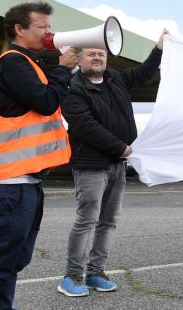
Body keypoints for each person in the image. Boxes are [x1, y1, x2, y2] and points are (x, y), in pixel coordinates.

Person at [57, 30, 168, 297]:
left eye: (101, 54)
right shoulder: (72, 88)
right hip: (91, 165)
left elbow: (144, 72)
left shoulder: (116, 78)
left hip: (118, 164)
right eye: (91, 54)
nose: (97, 58)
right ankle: (71, 276)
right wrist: (122, 147)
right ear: (79, 60)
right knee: (87, 220)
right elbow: (85, 126)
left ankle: (96, 272)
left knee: (108, 222)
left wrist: (159, 49)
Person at [0, 1, 79, 310]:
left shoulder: (28, 64)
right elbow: (46, 103)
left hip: (26, 182)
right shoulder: (12, 62)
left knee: (14, 259)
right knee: (4, 262)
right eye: (42, 26)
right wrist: (64, 69)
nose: (49, 31)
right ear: (19, 29)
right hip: (10, 184)